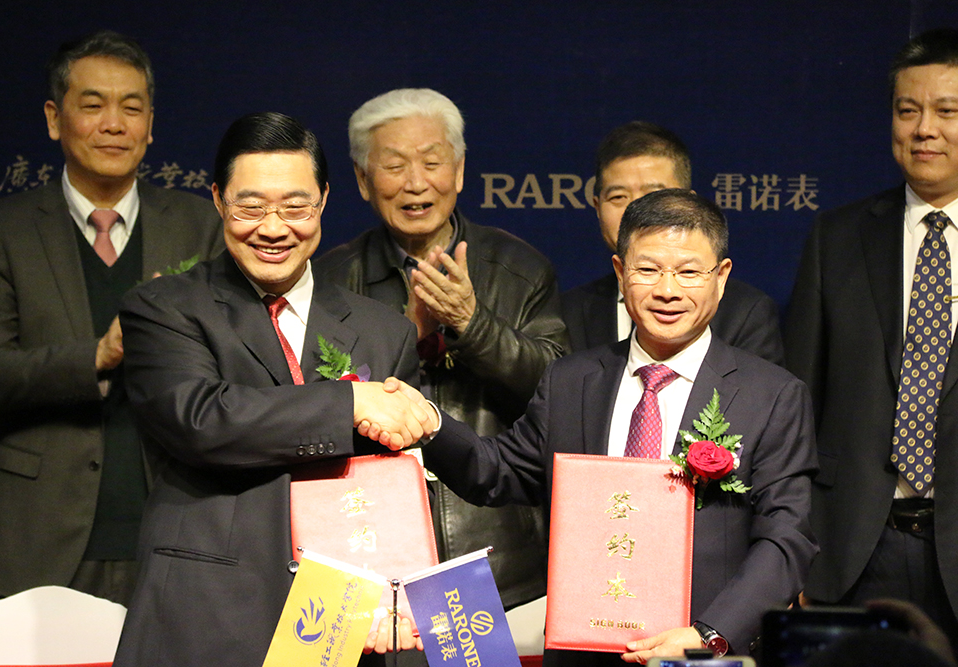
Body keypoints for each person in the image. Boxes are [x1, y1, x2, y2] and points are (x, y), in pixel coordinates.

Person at [401, 189, 817, 664]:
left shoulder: (771, 396)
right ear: (620, 273)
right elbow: (497, 471)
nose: (667, 290)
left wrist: (710, 635)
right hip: (584, 651)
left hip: (699, 655)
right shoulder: (571, 381)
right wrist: (429, 425)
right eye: (648, 270)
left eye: (688, 272)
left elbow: (786, 539)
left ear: (720, 278)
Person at [112, 112, 434, 667]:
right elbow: (200, 420)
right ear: (218, 200)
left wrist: (400, 586)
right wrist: (349, 401)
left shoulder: (384, 330)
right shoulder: (163, 308)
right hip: (207, 616)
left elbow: (394, 480)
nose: (273, 228)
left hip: (348, 622)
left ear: (324, 201)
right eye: (251, 207)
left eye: (295, 207)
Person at [0, 30, 224, 605]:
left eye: (132, 108)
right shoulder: (0, 230)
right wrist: (98, 357)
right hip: (37, 533)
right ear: (55, 119)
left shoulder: (200, 225)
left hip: (175, 524)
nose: (113, 125)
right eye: (93, 105)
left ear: (150, 125)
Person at [314, 88, 568, 611]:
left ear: (459, 170)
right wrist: (406, 338)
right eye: (393, 166)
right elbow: (312, 409)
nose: (415, 183)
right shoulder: (330, 281)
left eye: (432, 163)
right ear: (362, 179)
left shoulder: (519, 269)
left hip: (501, 552)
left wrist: (471, 324)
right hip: (371, 548)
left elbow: (560, 392)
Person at [785, 27, 958, 649]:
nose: (924, 129)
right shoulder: (837, 237)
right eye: (908, 110)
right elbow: (797, 404)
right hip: (853, 550)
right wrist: (794, 551)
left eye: (947, 111)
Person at [563, 121, 784, 364]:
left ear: (689, 203)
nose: (634, 211)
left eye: (654, 195)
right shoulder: (569, 311)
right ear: (597, 207)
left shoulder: (746, 312)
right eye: (618, 197)